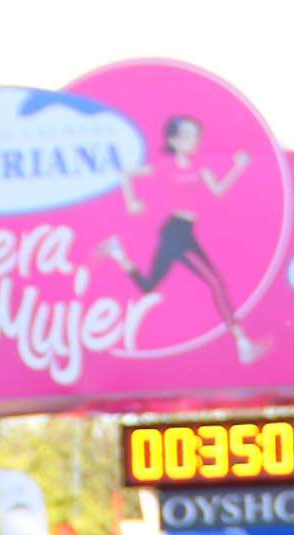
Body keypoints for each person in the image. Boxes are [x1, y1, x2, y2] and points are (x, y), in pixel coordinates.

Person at [98, 111, 264, 362]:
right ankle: (243, 344)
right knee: (216, 284)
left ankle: (118, 253)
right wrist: (131, 201)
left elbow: (218, 190)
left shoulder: (200, 166)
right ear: (174, 141)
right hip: (176, 232)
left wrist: (238, 168)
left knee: (148, 286)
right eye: (187, 136)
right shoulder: (165, 164)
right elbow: (127, 173)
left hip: (184, 232)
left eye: (196, 136)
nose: (194, 141)